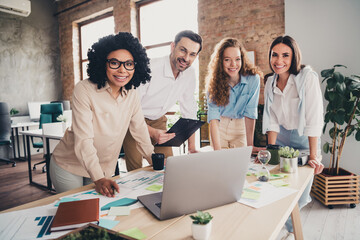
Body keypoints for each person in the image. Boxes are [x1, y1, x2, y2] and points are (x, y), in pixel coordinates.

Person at [50, 32, 154, 197]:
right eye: (114, 63)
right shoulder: (84, 89)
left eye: (129, 64)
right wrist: (98, 178)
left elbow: (140, 130)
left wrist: (154, 161)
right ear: (102, 63)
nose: (122, 70)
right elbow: (83, 140)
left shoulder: (132, 93)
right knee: (77, 214)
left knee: (100, 214)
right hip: (70, 165)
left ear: (136, 66)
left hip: (104, 168)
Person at [262, 35, 324, 237]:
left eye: (285, 55)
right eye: (275, 55)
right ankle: (285, 230)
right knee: (276, 186)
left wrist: (314, 155)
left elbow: (314, 118)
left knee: (300, 192)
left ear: (294, 57)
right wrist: (271, 154)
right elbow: (271, 120)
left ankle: (289, 230)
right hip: (280, 141)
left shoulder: (307, 77)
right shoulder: (270, 81)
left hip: (304, 141)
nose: (279, 61)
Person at [123, 30, 202, 171]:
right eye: (183, 50)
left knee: (168, 167)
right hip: (134, 119)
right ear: (173, 47)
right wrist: (152, 132)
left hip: (158, 120)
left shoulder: (190, 74)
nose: (186, 58)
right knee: (135, 170)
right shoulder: (150, 68)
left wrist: (191, 147)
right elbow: (128, 109)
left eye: (192, 54)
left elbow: (189, 110)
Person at [206, 37, 263, 152]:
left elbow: (250, 113)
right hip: (219, 127)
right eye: (227, 59)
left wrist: (250, 146)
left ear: (242, 59)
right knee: (219, 163)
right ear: (220, 61)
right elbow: (213, 118)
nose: (233, 64)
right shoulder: (213, 83)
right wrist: (217, 151)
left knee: (241, 163)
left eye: (237, 59)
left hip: (240, 127)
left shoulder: (253, 79)